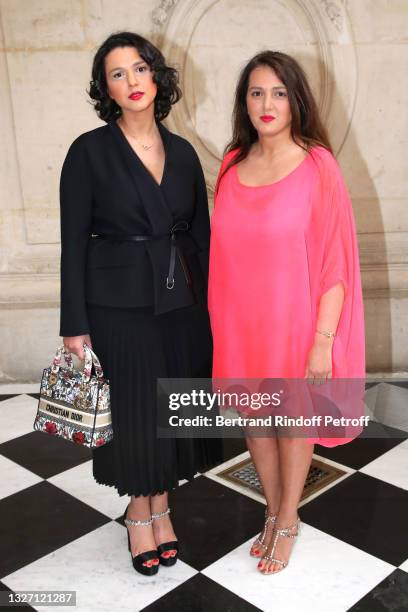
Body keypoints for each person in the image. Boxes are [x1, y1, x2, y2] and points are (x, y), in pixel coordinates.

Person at [60, 31, 221, 576]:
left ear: (157, 76)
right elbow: (72, 241)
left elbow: (200, 236)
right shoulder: (88, 151)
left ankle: (162, 506)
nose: (132, 81)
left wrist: (215, 309)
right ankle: (138, 511)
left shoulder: (181, 153)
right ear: (105, 88)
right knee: (134, 412)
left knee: (174, 406)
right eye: (117, 73)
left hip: (181, 300)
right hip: (116, 304)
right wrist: (73, 325)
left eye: (139, 68)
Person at [208, 51, 365, 575]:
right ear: (244, 102)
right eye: (256, 93)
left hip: (295, 322)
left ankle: (289, 518)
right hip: (240, 323)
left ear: (295, 99)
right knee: (256, 422)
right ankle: (271, 513)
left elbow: (336, 264)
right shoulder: (232, 163)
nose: (266, 103)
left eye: (277, 92)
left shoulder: (319, 165)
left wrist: (323, 338)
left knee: (291, 421)